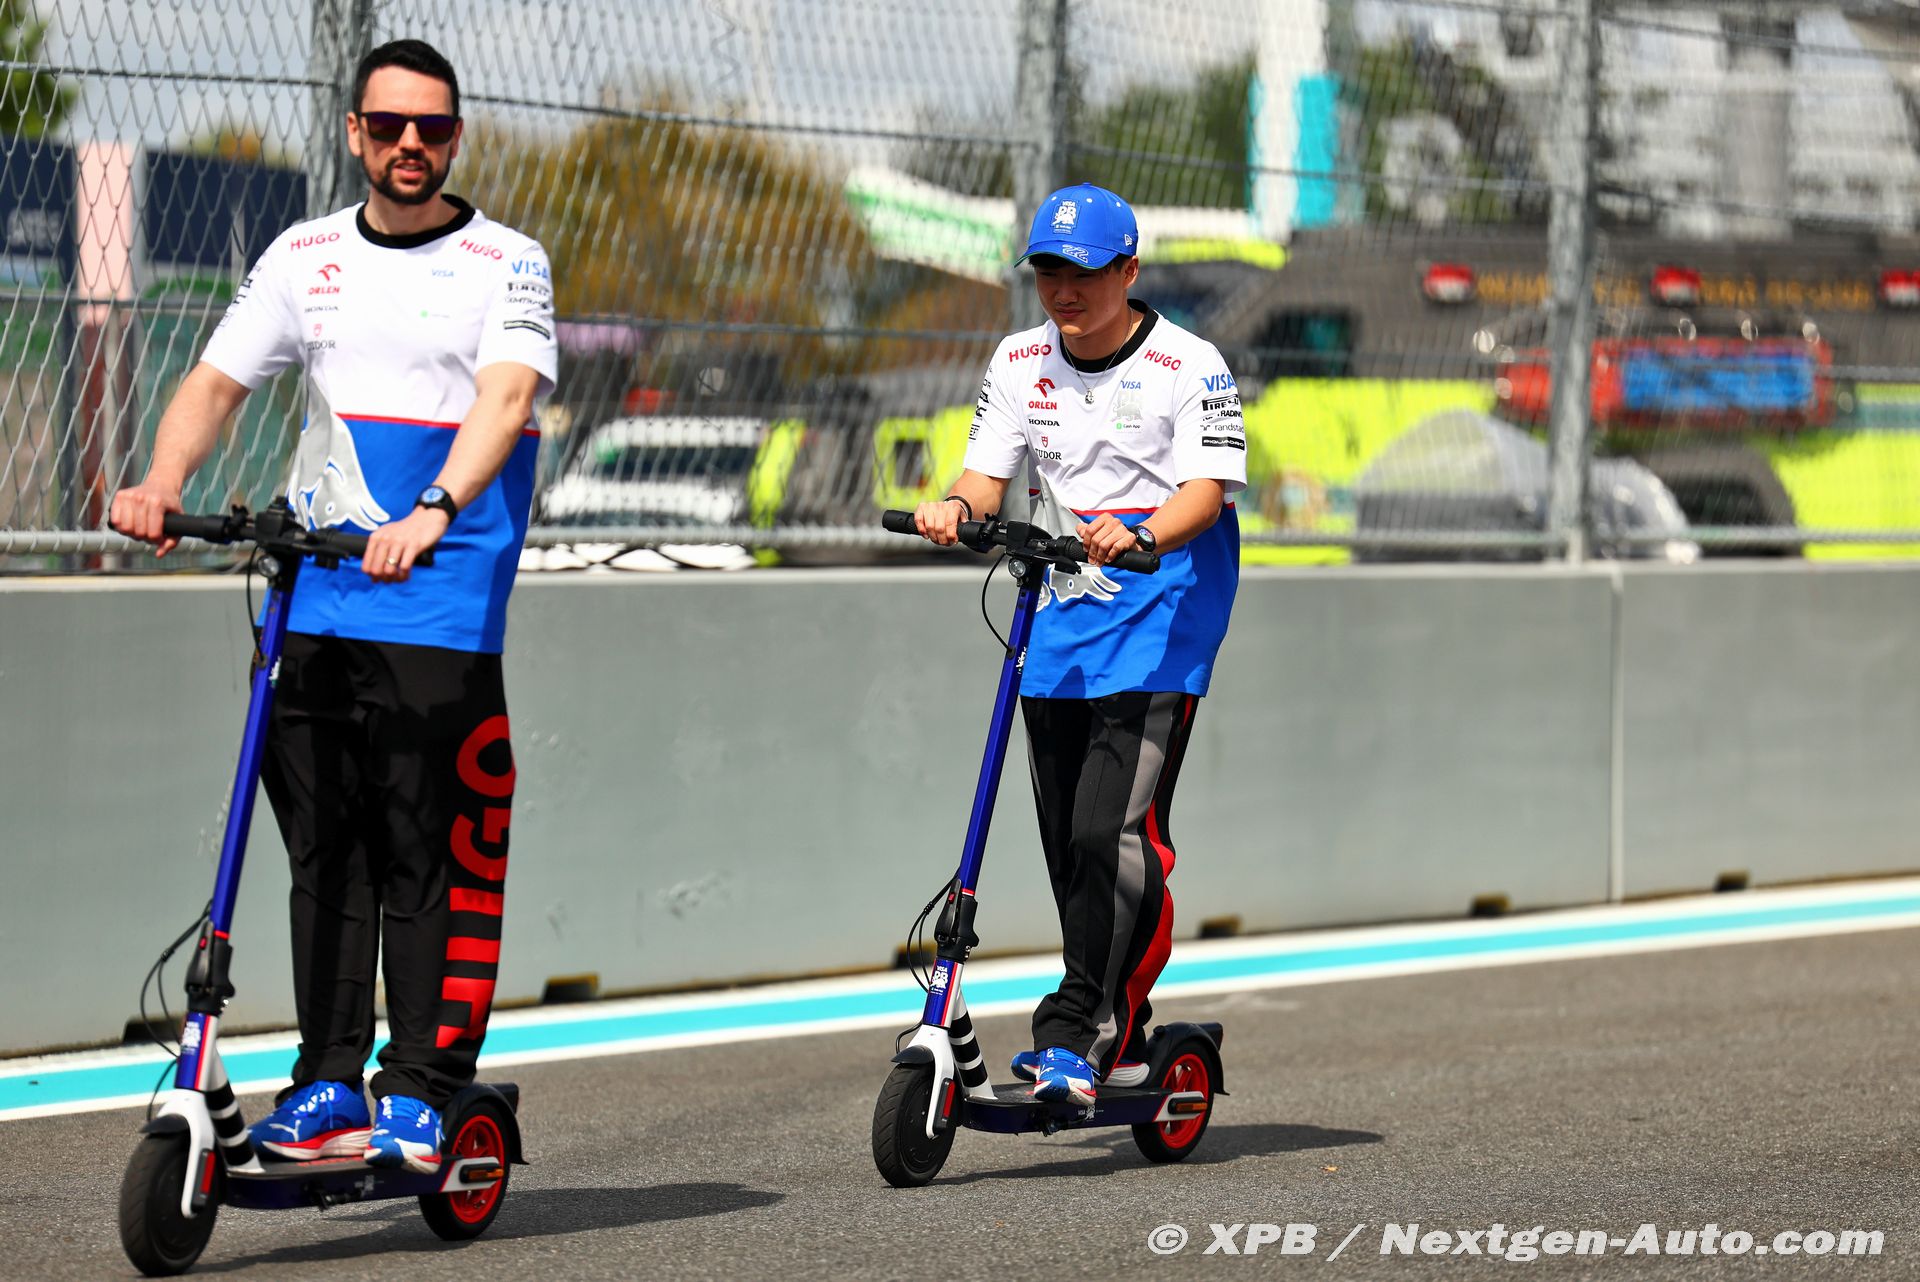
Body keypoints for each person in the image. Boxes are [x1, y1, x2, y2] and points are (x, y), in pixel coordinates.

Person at [110, 38, 556, 1173]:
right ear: (355, 132)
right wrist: (162, 479)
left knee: (425, 852)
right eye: (389, 125)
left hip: (439, 600)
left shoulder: (507, 261)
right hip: (315, 600)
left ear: (455, 139)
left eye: (433, 128)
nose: (411, 144)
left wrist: (436, 508)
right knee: (326, 853)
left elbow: (507, 398)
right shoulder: (303, 254)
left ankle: (422, 1085)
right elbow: (217, 380)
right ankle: (327, 1078)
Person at [911, 183, 1244, 1106]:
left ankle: (1080, 1032)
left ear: (1128, 271)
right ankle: (1115, 1017)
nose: (1064, 289)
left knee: (1112, 830)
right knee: (1069, 839)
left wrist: (1141, 535)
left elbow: (1206, 492)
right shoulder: (1019, 360)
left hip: (1162, 616)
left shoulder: (1189, 364)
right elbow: (985, 478)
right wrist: (954, 508)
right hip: (1057, 616)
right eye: (1049, 270)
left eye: (1085, 271)